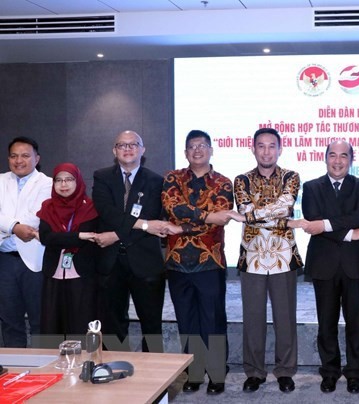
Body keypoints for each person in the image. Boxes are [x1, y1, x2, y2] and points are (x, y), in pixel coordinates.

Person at [162, 130, 242, 395]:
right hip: (176, 264)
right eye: (192, 147)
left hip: (210, 261)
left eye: (202, 146)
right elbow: (174, 209)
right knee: (187, 320)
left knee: (213, 319)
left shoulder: (223, 182)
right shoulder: (172, 178)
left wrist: (181, 227)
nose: (197, 150)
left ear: (211, 150)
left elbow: (220, 218)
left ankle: (217, 373)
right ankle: (194, 372)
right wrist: (206, 217)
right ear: (185, 152)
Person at [300, 140, 359, 394]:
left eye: (344, 156)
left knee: (356, 322)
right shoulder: (311, 187)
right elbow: (312, 220)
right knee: (326, 323)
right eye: (333, 155)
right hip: (324, 264)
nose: (338, 161)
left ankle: (354, 372)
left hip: (355, 264)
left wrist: (327, 225)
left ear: (351, 160)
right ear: (325, 158)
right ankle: (329, 372)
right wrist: (348, 234)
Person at [234, 127, 303, 394]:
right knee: (253, 318)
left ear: (280, 149)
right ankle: (254, 372)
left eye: (271, 146)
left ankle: (285, 371)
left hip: (283, 257)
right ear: (253, 149)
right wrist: (267, 216)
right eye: (261, 146)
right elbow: (244, 209)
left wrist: (253, 216)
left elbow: (285, 205)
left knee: (285, 317)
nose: (266, 151)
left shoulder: (291, 176)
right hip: (251, 257)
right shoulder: (241, 180)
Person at [92, 130, 171, 352]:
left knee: (152, 324)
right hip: (110, 262)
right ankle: (115, 374)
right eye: (122, 145)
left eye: (133, 144)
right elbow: (108, 213)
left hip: (145, 262)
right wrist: (144, 224)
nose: (127, 149)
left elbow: (153, 216)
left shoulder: (156, 181)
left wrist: (115, 235)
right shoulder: (102, 177)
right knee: (113, 324)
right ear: (114, 151)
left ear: (142, 150)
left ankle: (155, 380)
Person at [37, 163, 99, 340]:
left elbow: (90, 238)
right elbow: (46, 238)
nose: (63, 184)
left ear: (78, 181)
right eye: (59, 180)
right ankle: (51, 367)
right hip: (53, 274)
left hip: (82, 275)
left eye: (69, 179)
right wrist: (79, 235)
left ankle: (84, 366)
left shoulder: (90, 207)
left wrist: (64, 237)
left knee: (81, 325)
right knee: (51, 327)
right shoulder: (47, 207)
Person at [0, 137, 52, 347]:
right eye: (13, 156)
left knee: (40, 320)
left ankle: (43, 374)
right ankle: (14, 375)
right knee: (9, 321)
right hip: (4, 260)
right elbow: (19, 224)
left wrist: (7, 222)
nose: (18, 160)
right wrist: (14, 226)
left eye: (25, 155)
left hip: (35, 260)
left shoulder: (48, 183)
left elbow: (35, 217)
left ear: (37, 159)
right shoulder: (1, 180)